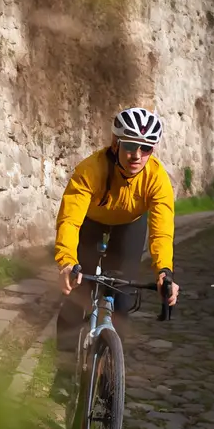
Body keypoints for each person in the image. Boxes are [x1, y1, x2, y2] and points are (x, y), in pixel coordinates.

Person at [51, 106, 180, 400]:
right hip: (91, 223)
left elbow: (161, 231)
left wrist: (164, 271)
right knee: (77, 294)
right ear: (115, 143)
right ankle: (63, 372)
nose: (137, 155)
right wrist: (66, 262)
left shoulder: (157, 179)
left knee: (121, 298)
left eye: (145, 148)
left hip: (129, 227)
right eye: (130, 145)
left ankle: (111, 371)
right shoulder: (91, 169)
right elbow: (70, 219)